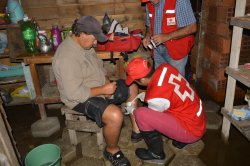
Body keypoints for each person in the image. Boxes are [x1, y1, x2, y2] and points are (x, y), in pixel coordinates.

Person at [52, 16, 141, 166]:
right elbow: (74, 94)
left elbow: (99, 67)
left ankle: (137, 129)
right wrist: (102, 89)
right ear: (82, 33)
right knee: (115, 115)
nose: (95, 43)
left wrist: (106, 83)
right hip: (79, 98)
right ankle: (111, 150)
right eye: (94, 39)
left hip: (98, 87)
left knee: (132, 86)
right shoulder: (66, 57)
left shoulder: (85, 45)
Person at [125, 58, 206, 164]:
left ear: (143, 80)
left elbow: (153, 115)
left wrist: (134, 110)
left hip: (191, 131)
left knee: (141, 114)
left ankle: (156, 153)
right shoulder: (165, 67)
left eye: (135, 80)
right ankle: (181, 139)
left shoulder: (155, 97)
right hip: (198, 121)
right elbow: (167, 90)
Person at [141, 0, 197, 76]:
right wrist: (147, 36)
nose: (151, 2)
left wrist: (167, 36)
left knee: (175, 82)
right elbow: (149, 25)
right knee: (161, 80)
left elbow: (192, 27)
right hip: (157, 50)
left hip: (177, 49)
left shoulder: (179, 1)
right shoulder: (149, 3)